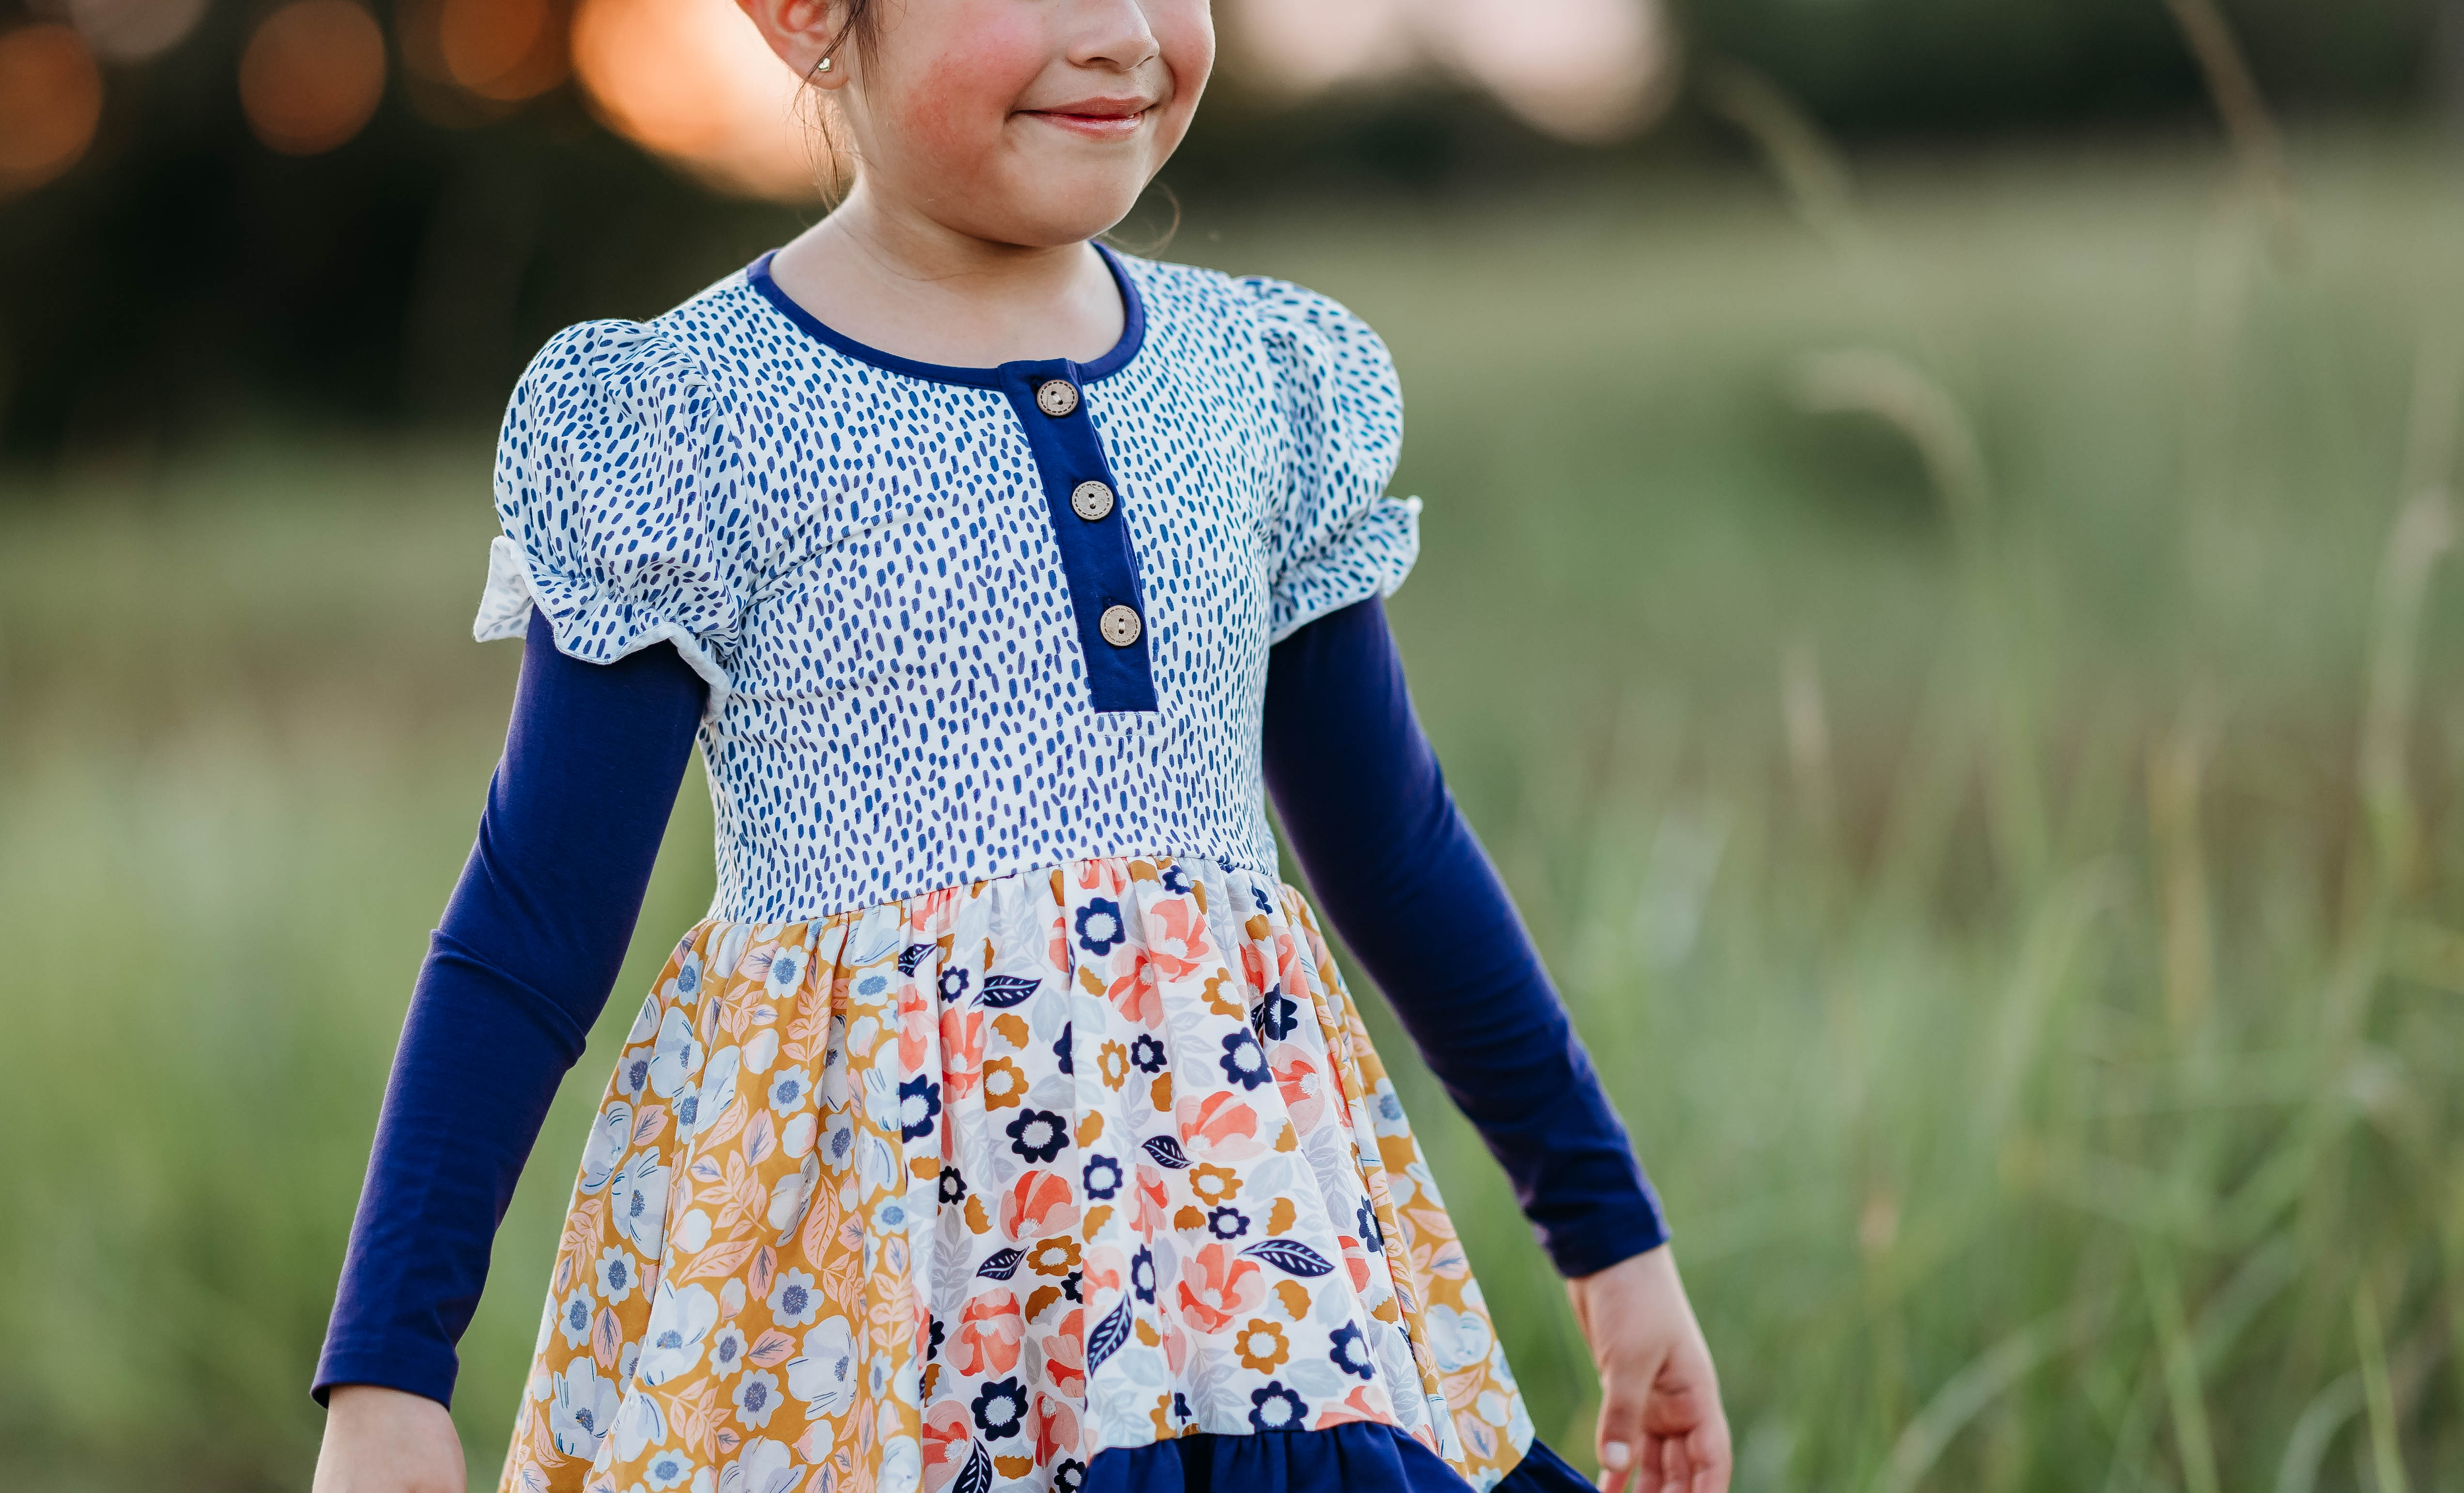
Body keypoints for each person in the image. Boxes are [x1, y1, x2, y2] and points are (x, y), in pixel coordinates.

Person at [309, 2, 1730, 1491]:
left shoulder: (1253, 382)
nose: (1121, 33)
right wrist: (389, 1372)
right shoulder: (694, 421)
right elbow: (531, 924)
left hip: (1248, 1311)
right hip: (876, 1343)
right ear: (805, 13)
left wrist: (1614, 1245)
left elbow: (1396, 846)